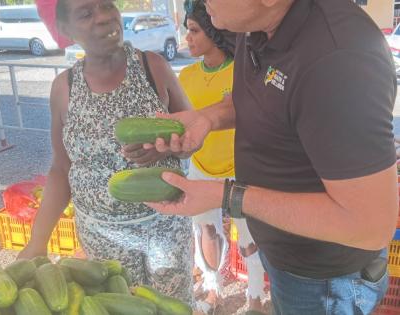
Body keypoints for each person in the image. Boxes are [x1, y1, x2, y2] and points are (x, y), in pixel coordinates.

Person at [143, 0, 399, 314]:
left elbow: (370, 224)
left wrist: (226, 195)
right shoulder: (253, 24)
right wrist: (207, 118)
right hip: (285, 259)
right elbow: (268, 99)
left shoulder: (338, 60)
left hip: (326, 282)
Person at [18, 0, 195, 304]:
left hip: (166, 230)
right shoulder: (64, 88)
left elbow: (193, 133)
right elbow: (61, 168)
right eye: (86, 13)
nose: (102, 17)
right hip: (103, 238)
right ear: (65, 29)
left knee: (173, 308)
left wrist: (166, 144)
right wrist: (38, 241)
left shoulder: (154, 67)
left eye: (105, 5)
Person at [180, 1, 268, 313]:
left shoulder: (241, 71)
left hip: (240, 167)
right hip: (200, 167)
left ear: (215, 32)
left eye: (193, 31)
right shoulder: (185, 77)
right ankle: (212, 288)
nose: (187, 38)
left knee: (248, 237)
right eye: (186, 31)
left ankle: (254, 296)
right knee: (206, 229)